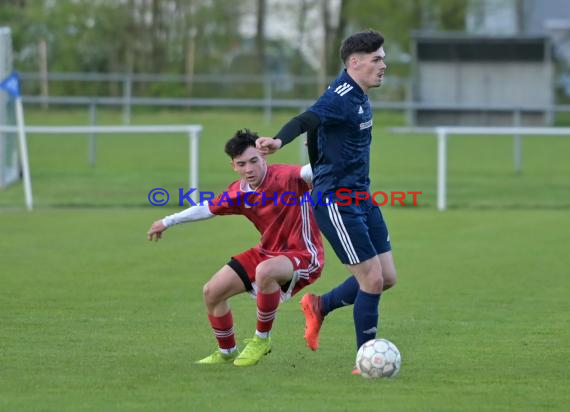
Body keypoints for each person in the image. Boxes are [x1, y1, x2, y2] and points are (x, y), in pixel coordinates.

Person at [256, 30, 397, 374]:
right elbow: (308, 119)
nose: (384, 65)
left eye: (383, 58)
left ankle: (320, 305)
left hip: (360, 196)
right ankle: (366, 359)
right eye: (377, 59)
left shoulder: (361, 94)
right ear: (355, 62)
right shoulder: (340, 95)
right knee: (372, 281)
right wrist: (277, 140)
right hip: (336, 201)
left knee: (387, 276)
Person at [147, 129, 324, 367]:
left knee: (265, 272)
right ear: (234, 166)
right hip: (267, 251)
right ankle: (227, 351)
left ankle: (262, 339)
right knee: (212, 292)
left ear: (265, 158)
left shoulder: (287, 176)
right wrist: (167, 221)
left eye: (254, 161)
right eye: (242, 164)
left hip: (303, 254)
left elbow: (315, 171)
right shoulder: (237, 193)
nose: (249, 169)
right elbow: (206, 208)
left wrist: (323, 148)